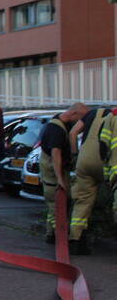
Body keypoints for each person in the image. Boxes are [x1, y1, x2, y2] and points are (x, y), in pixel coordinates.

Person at [39, 103, 89, 250]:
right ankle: (59, 238)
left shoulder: (58, 124)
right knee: (57, 208)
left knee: (53, 207)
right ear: (74, 114)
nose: (80, 124)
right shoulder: (57, 129)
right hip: (53, 177)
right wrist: (60, 179)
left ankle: (50, 235)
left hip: (52, 175)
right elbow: (55, 154)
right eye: (80, 119)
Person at [67, 106, 114, 254]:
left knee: (83, 201)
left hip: (84, 161)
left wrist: (75, 155)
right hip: (106, 161)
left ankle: (75, 239)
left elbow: (73, 133)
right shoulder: (113, 117)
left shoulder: (92, 113)